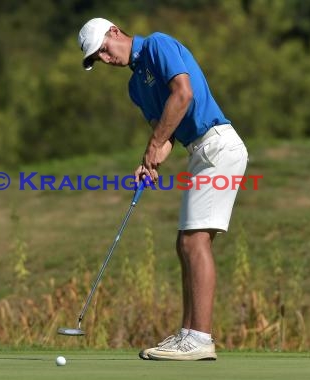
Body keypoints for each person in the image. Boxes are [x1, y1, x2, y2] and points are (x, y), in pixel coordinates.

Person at [77, 18, 248, 361]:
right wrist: (150, 162)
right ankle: (188, 333)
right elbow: (165, 135)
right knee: (183, 242)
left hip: (218, 146)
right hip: (198, 152)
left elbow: (183, 94)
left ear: (114, 32)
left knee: (193, 240)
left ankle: (199, 337)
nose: (106, 59)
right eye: (98, 59)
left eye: (103, 50)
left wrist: (152, 146)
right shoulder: (135, 88)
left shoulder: (157, 45)